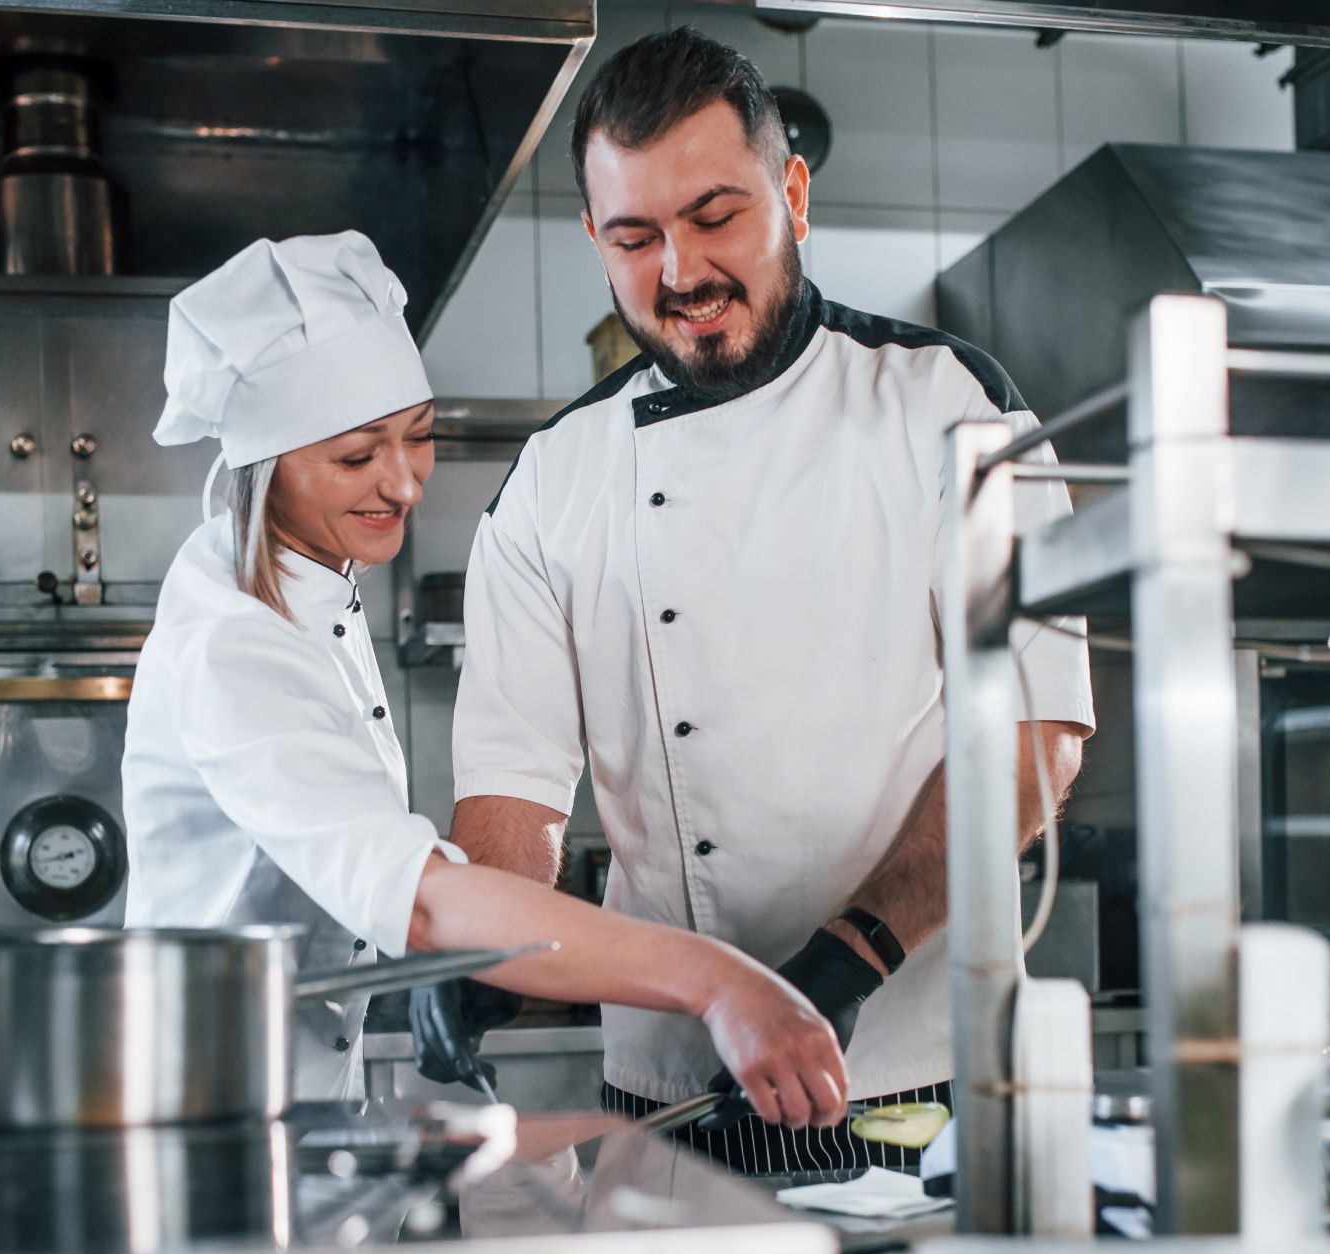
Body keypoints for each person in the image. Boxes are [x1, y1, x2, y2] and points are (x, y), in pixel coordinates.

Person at [447, 28, 1095, 1175]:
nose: (682, 274)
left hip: (908, 1069)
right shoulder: (555, 478)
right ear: (593, 238)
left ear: (791, 192)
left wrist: (846, 960)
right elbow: (514, 792)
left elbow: (1034, 738)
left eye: (716, 217)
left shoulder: (948, 405)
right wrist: (475, 954)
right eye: (637, 237)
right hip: (666, 1088)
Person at [120, 230, 848, 1117]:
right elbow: (422, 905)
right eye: (357, 457)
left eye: (418, 438)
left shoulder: (310, 589)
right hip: (205, 1124)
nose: (403, 483)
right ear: (265, 468)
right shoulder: (234, 644)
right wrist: (719, 981)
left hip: (284, 1114)